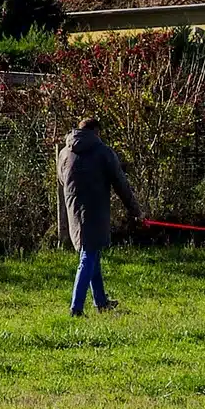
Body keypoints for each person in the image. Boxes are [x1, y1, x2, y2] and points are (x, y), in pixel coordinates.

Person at [56, 116, 143, 316]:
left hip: (74, 210)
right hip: (95, 210)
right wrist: (135, 211)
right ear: (96, 131)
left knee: (91, 252)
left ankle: (101, 302)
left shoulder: (64, 153)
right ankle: (76, 308)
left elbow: (61, 180)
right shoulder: (103, 152)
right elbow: (121, 184)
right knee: (88, 257)